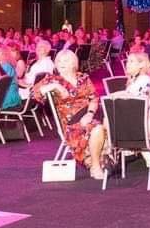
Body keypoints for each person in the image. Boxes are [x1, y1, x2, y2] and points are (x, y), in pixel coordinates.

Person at [33, 50, 106, 179]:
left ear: (73, 63)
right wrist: (55, 86)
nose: (62, 63)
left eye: (65, 61)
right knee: (98, 128)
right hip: (71, 121)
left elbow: (94, 99)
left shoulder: (83, 78)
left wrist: (89, 113)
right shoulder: (52, 79)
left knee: (110, 121)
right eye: (59, 61)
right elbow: (35, 93)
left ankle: (109, 157)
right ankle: (95, 165)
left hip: (90, 113)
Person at [115, 52, 150, 157]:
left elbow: (137, 105)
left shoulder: (144, 80)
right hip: (142, 119)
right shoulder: (135, 79)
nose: (127, 64)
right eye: (127, 61)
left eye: (131, 61)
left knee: (110, 123)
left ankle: (111, 156)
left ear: (141, 65)